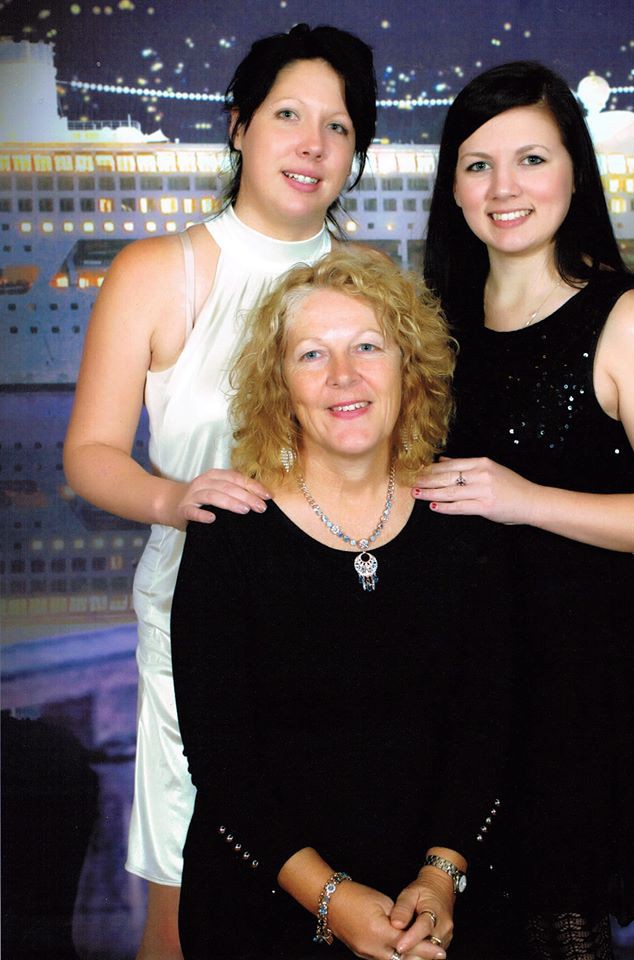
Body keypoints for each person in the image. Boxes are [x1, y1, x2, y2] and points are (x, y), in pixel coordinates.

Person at [63, 24, 377, 958]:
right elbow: (90, 453)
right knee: (188, 903)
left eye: (338, 126)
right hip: (198, 624)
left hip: (347, 629)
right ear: (239, 126)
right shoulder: (158, 271)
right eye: (288, 116)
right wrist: (173, 500)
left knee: (344, 892)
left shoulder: (373, 282)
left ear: (356, 151)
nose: (313, 144)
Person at [417, 61, 634, 959]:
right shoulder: (433, 318)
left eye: (531, 160)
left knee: (559, 922)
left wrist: (526, 500)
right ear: (453, 187)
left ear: (575, 172)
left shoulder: (627, 319)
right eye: (478, 165)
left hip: (573, 674)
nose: (503, 189)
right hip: (452, 666)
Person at [170, 248, 512, 959]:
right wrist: (333, 899)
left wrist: (440, 877)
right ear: (278, 386)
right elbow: (222, 759)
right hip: (264, 905)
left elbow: (486, 729)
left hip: (437, 906)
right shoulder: (229, 534)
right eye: (312, 355)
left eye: (367, 347)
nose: (343, 376)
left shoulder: (466, 524)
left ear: (409, 369)